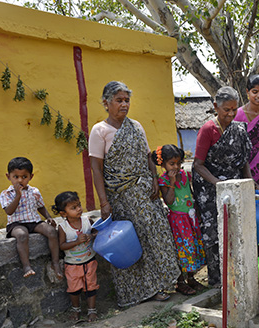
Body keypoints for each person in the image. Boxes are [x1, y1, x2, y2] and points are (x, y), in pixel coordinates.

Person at [89, 81, 180, 306]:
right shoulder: (99, 131)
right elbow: (96, 169)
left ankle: (163, 283)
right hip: (120, 196)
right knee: (132, 242)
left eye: (126, 100)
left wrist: (154, 182)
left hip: (145, 193)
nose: (124, 104)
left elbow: (148, 157)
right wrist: (103, 202)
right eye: (119, 100)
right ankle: (140, 292)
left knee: (156, 236)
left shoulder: (136, 126)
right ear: (106, 103)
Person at [192, 86, 253, 287]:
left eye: (234, 109)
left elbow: (243, 161)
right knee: (214, 233)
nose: (230, 114)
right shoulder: (208, 130)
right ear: (215, 107)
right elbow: (198, 165)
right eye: (226, 109)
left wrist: (249, 184)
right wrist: (219, 185)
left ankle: (237, 273)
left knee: (236, 229)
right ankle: (217, 279)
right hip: (210, 188)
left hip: (234, 187)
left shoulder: (239, 129)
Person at [152, 144, 206, 295]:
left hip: (190, 218)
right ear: (162, 164)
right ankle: (180, 282)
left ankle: (191, 278)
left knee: (193, 246)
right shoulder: (164, 180)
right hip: (178, 221)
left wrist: (197, 211)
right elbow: (169, 200)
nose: (176, 166)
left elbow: (191, 193)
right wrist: (172, 181)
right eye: (171, 164)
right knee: (183, 249)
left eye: (178, 163)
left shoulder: (185, 175)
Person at [0, 157, 63, 280]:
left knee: (51, 231)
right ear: (8, 176)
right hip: (16, 224)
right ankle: (26, 266)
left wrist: (48, 217)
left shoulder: (34, 191)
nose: (20, 180)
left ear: (31, 177)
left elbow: (40, 207)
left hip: (34, 221)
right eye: (15, 177)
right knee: (22, 235)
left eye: (24, 177)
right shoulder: (6, 194)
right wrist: (18, 196)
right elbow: (9, 211)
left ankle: (55, 262)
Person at [53, 191, 98, 322]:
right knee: (74, 289)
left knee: (91, 286)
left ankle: (92, 311)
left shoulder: (86, 221)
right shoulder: (63, 227)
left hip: (90, 261)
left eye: (79, 205)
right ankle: (76, 310)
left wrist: (91, 236)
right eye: (74, 207)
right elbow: (61, 245)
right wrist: (77, 242)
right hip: (72, 264)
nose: (79, 209)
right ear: (63, 213)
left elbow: (96, 231)